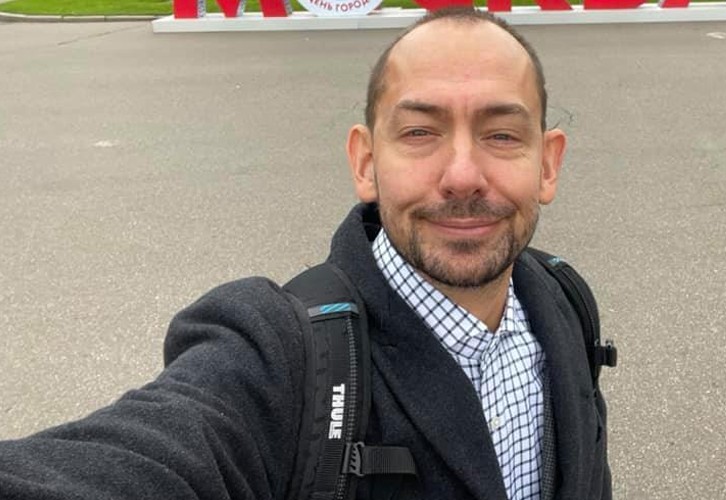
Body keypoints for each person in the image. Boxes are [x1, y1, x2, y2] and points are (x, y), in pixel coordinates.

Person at [0, 7, 611, 500]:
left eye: (502, 134)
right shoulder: (281, 357)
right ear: (365, 163)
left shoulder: (564, 302)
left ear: (548, 164)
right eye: (420, 132)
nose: (462, 176)